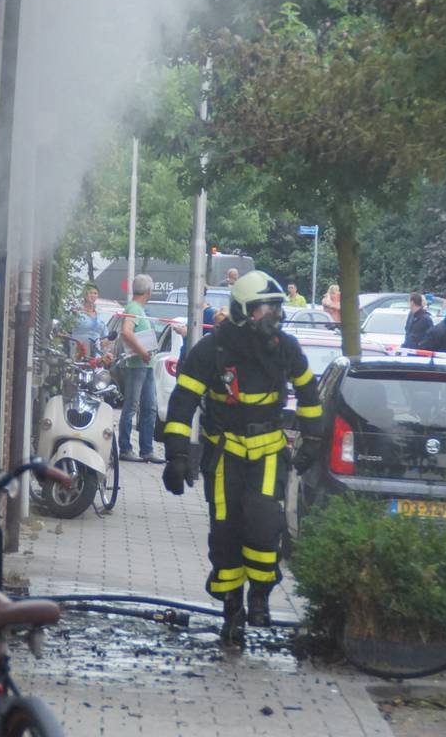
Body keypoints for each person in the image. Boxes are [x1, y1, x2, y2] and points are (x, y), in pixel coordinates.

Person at [159, 271, 324, 644]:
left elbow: (310, 393)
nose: (274, 316)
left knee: (265, 523)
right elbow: (182, 402)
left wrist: (313, 439)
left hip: (267, 451)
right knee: (226, 531)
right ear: (241, 311)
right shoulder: (211, 350)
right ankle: (232, 607)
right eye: (265, 308)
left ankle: (261, 595)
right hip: (224, 453)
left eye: (276, 308)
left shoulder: (286, 348)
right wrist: (177, 455)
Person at [116, 274, 163, 464]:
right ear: (149, 291)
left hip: (145, 365)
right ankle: (126, 448)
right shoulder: (134, 308)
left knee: (149, 407)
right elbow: (126, 332)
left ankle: (146, 449)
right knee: (132, 407)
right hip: (138, 365)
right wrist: (143, 351)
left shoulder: (138, 309)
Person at [69, 282, 111, 359]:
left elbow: (105, 335)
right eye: (90, 293)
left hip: (96, 355)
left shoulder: (100, 314)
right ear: (85, 294)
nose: (93, 295)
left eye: (95, 293)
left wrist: (106, 341)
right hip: (79, 352)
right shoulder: (76, 312)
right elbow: (66, 330)